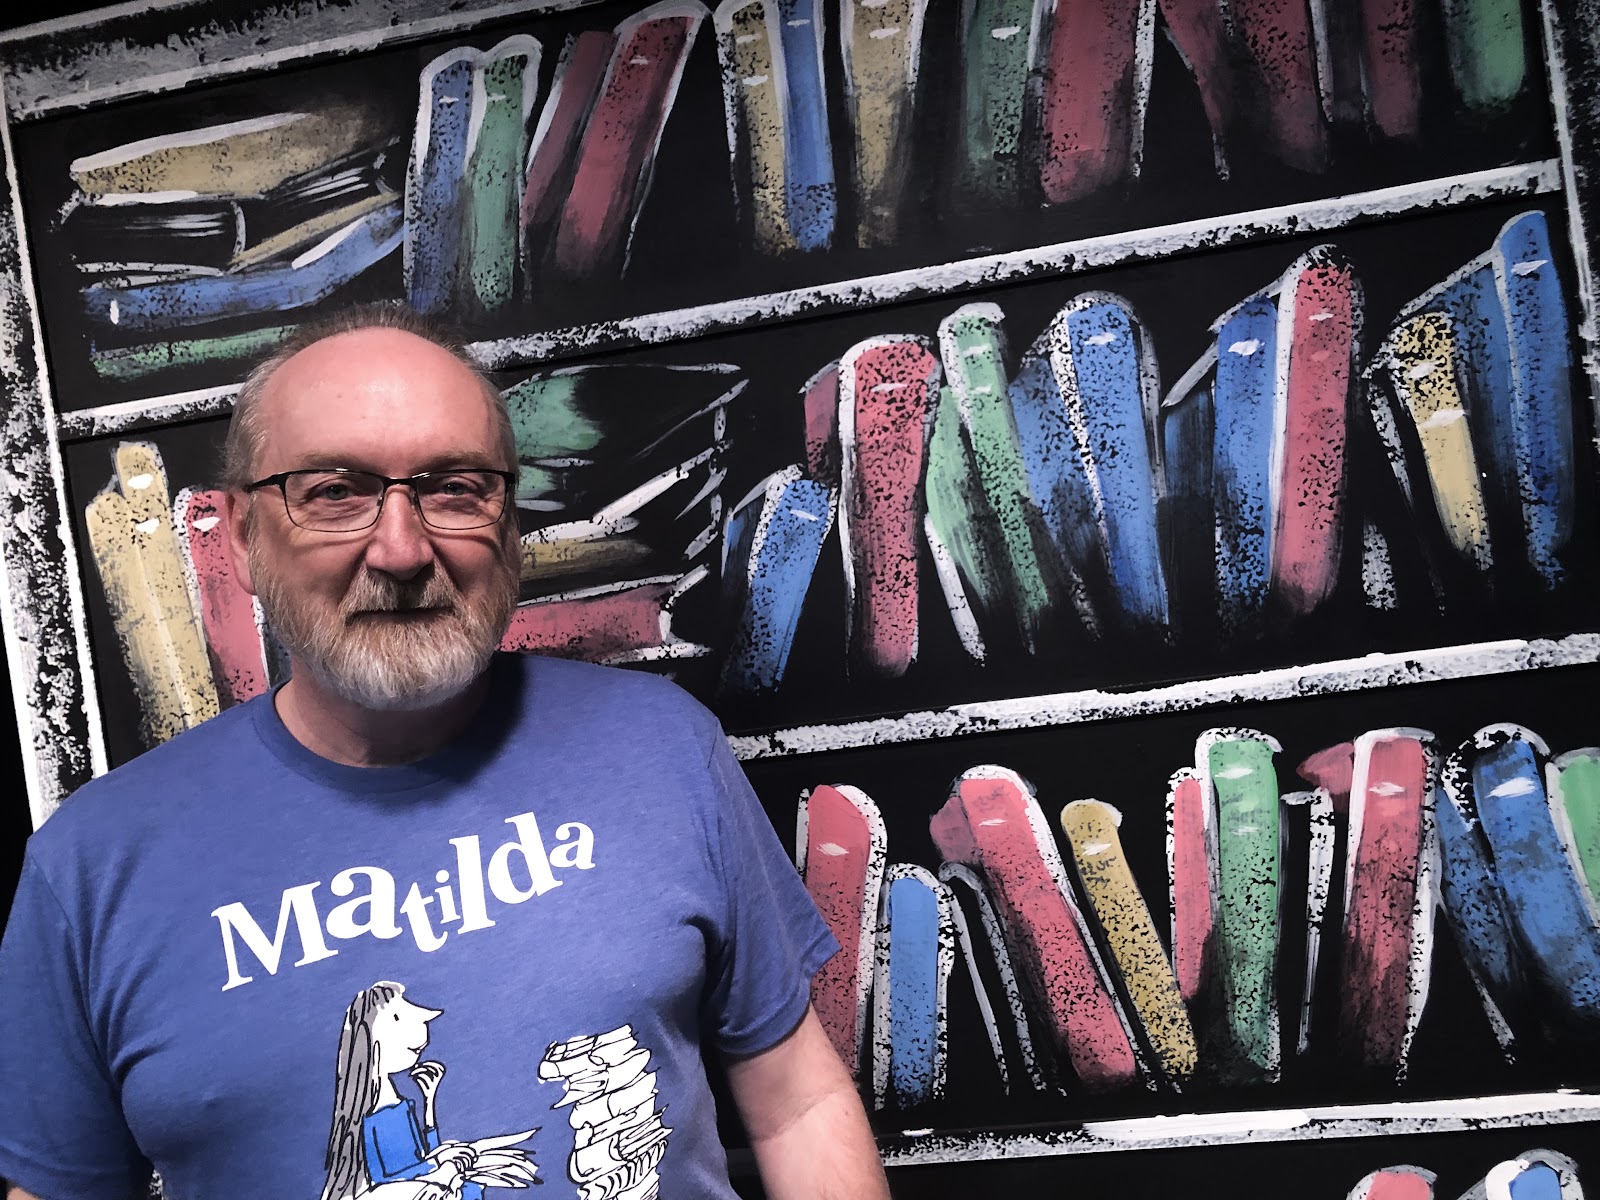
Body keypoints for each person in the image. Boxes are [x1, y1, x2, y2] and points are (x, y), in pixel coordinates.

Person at [0, 305, 891, 1200]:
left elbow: (796, 1105)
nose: (400, 548)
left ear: (508, 524)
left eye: (456, 488)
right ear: (241, 536)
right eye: (333, 491)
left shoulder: (661, 747)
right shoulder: (94, 867)